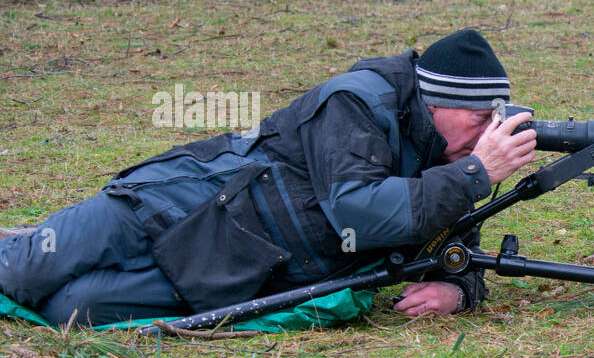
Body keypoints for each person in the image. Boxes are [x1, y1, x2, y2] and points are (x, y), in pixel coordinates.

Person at [0, 28, 537, 326]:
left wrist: (457, 289)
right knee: (26, 270)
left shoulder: (451, 160)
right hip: (173, 204)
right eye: (478, 121)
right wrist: (474, 171)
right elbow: (357, 210)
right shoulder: (357, 101)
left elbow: (459, 242)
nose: (484, 135)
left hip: (227, 265)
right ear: (435, 103)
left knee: (71, 311)